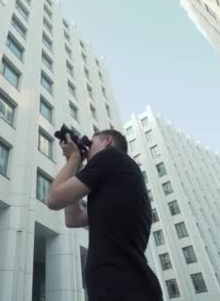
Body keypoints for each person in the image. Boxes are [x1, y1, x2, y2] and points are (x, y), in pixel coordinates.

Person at [47, 129, 163, 301]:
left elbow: (53, 199)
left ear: (108, 141)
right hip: (128, 286)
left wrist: (73, 158)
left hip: (121, 287)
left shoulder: (111, 157)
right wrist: (75, 162)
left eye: (90, 143)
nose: (86, 151)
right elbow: (73, 219)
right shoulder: (118, 180)